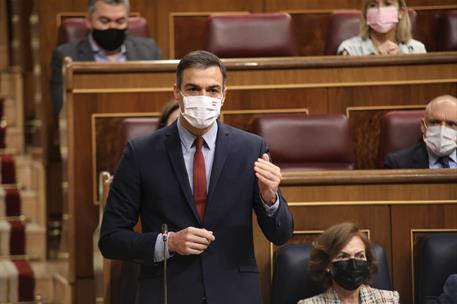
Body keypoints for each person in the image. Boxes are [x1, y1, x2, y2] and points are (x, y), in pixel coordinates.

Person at [99, 50, 293, 304]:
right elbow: (111, 239)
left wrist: (270, 200)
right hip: (168, 292)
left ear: (224, 96)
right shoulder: (141, 153)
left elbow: (281, 235)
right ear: (176, 93)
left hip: (234, 293)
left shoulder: (250, 149)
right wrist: (168, 243)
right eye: (193, 89)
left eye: (212, 90)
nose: (203, 98)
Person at [51, 0, 162, 114]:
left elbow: (163, 101)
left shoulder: (149, 51)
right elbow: (63, 109)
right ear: (89, 21)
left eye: (120, 21)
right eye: (105, 21)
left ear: (127, 21)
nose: (112, 27)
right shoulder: (66, 55)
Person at [297, 222, 399, 304]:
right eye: (343, 256)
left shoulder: (389, 300)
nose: (353, 264)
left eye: (360, 256)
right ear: (327, 264)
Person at [384, 95, 457, 169]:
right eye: (435, 122)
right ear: (423, 127)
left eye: (451, 124)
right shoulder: (397, 163)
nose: (442, 131)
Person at [337, 0, 426, 56]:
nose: (380, 10)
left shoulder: (416, 49)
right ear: (366, 13)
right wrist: (374, 59)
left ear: (400, 12)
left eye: (387, 4)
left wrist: (401, 61)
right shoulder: (349, 49)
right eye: (373, 5)